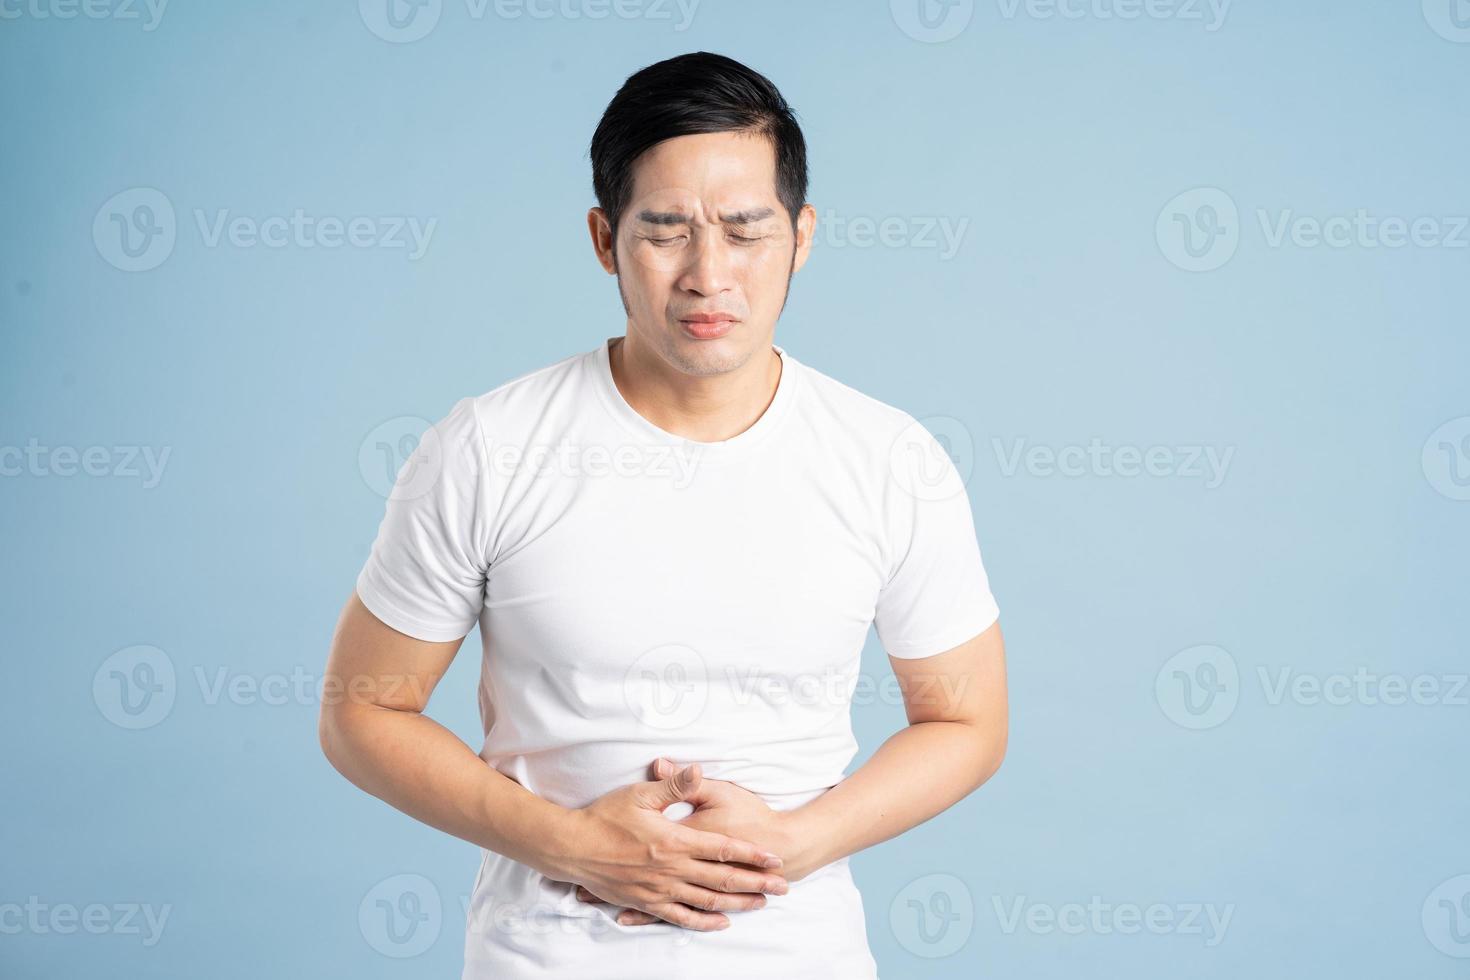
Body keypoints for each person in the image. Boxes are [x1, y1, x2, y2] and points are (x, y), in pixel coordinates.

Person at [319, 50, 1008, 979]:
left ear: (801, 236)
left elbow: (967, 721)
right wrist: (569, 844)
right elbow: (363, 710)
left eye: (744, 229)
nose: (707, 273)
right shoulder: (488, 446)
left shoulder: (890, 460)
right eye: (666, 230)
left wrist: (796, 844)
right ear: (605, 240)